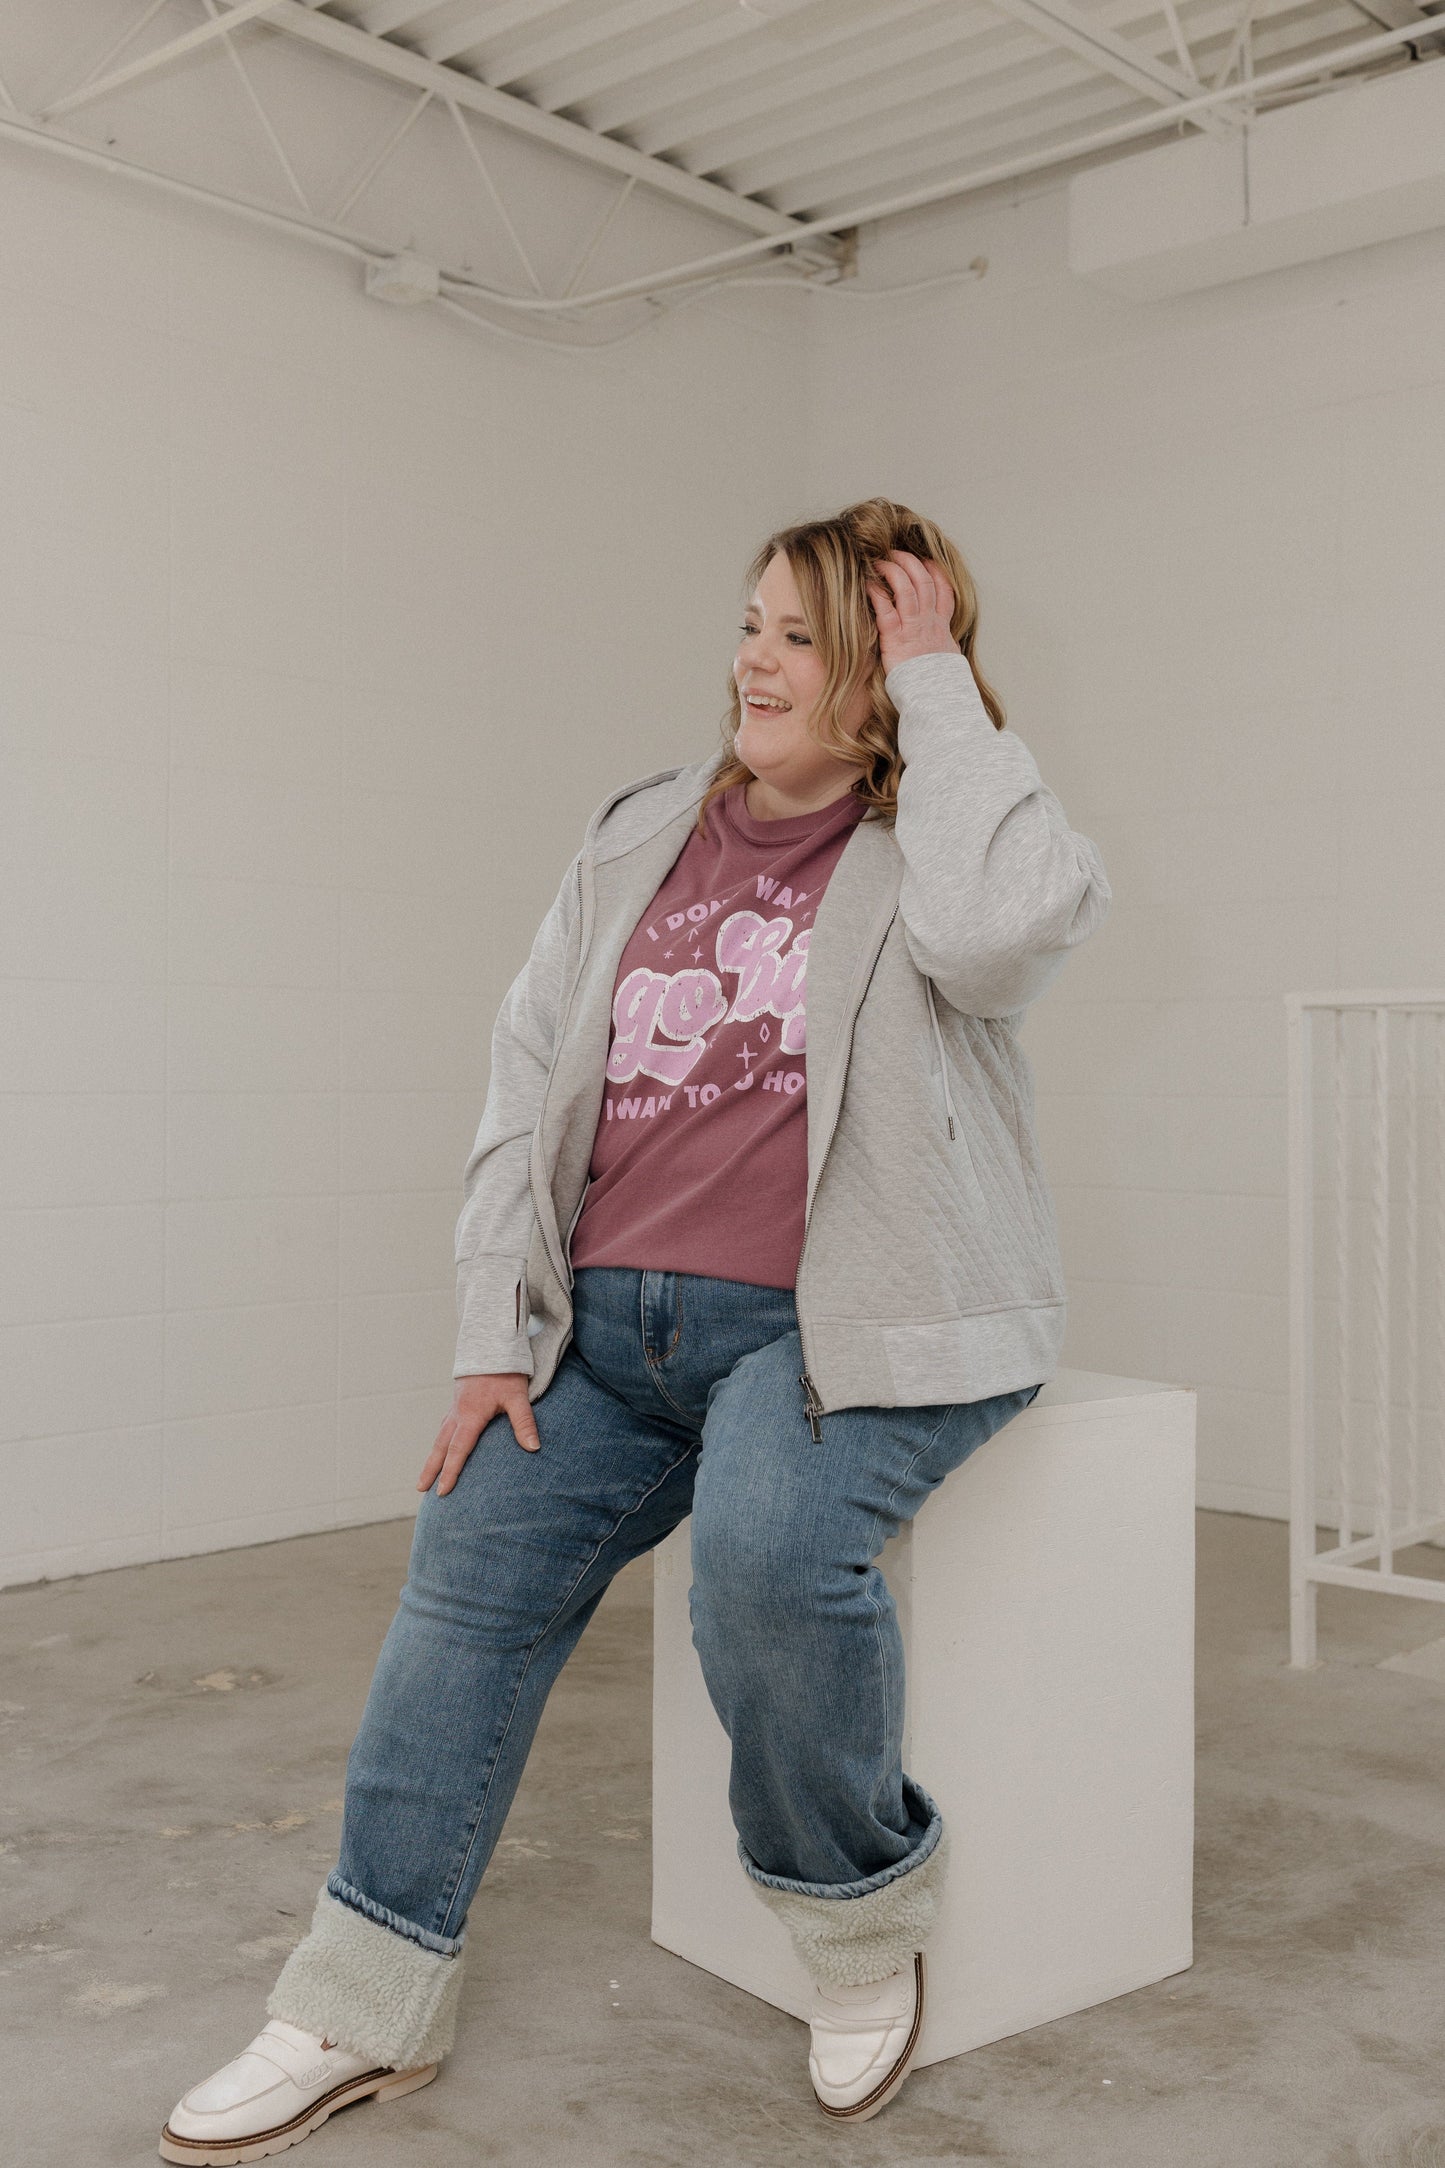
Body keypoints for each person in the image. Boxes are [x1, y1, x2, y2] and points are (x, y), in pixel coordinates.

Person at [159, 497, 1111, 2159]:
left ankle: (853, 1924)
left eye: (802, 636)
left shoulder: (942, 843)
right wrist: (487, 1332)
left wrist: (941, 684)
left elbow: (995, 935)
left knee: (762, 1559)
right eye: (748, 623)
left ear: (883, 671)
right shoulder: (637, 829)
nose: (753, 660)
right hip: (608, 1334)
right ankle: (359, 2001)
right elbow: (524, 1078)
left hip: (829, 1338)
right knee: (464, 1570)